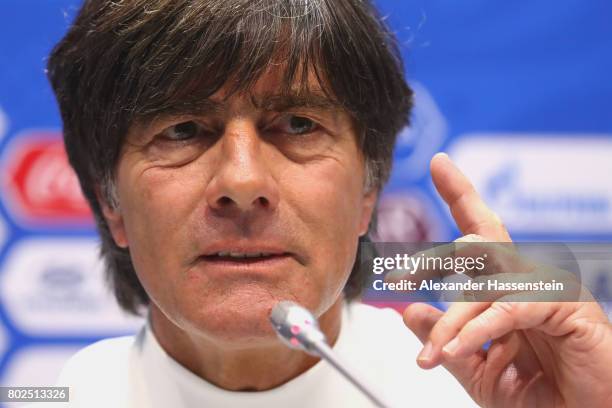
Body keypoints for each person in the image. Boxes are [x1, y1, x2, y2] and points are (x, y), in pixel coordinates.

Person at [46, 0, 612, 407]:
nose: (242, 181)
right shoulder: (60, 396)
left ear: (368, 192)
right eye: (183, 129)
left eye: (298, 124)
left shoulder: (475, 396)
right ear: (110, 200)